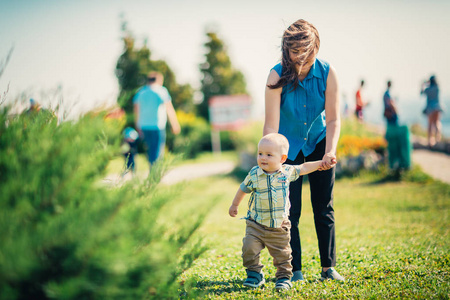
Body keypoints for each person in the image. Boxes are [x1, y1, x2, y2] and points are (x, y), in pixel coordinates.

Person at [264, 19, 344, 282]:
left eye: (305, 51)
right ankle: (293, 270)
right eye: (294, 51)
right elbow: (271, 125)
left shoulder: (328, 73)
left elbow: (333, 119)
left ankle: (328, 268)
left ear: (316, 47)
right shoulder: (276, 75)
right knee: (289, 212)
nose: (299, 58)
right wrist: (269, 159)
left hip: (319, 141)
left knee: (323, 206)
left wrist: (329, 151)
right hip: (286, 147)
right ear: (286, 49)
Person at [229, 133, 328, 291]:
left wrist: (320, 163)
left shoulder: (286, 172)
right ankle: (254, 274)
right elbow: (243, 189)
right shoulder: (255, 174)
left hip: (279, 226)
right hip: (256, 224)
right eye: (260, 153)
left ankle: (283, 277)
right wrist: (235, 205)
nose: (263, 158)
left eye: (269, 155)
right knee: (249, 248)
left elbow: (303, 167)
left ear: (282, 158)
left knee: (283, 255)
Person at [133, 71, 181, 168]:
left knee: (150, 150)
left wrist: (137, 124)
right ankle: (154, 174)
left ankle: (152, 171)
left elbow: (136, 109)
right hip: (157, 126)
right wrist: (175, 124)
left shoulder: (140, 92)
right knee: (157, 151)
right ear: (159, 80)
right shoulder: (161, 91)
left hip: (143, 126)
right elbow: (169, 108)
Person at [421, 75, 443, 147]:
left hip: (430, 108)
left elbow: (421, 93)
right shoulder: (437, 88)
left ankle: (430, 140)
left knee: (430, 124)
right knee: (437, 122)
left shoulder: (428, 89)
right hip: (437, 107)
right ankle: (438, 138)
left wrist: (424, 84)